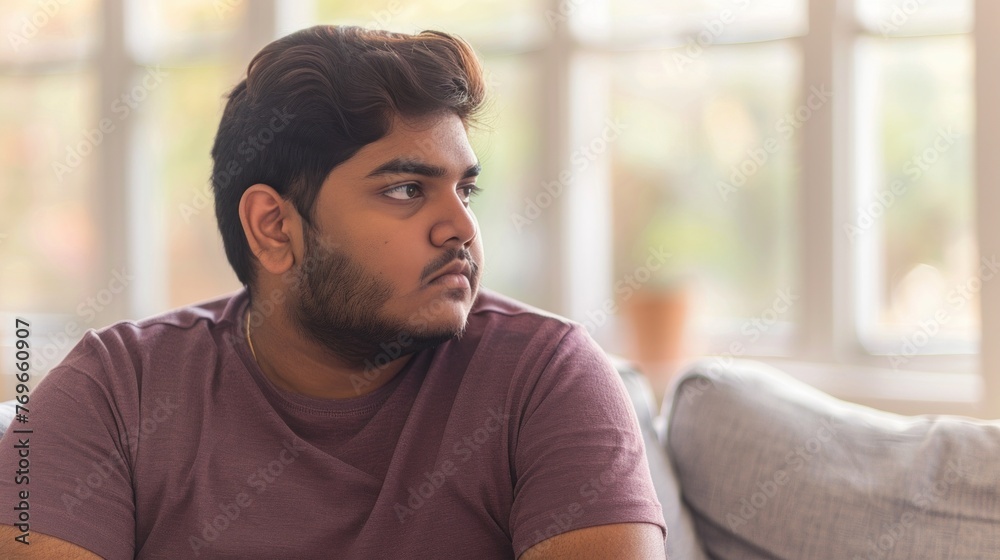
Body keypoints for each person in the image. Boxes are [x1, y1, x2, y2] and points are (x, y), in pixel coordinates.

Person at [0, 25, 666, 559]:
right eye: (407, 189)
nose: (461, 227)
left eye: (466, 190)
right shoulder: (112, 392)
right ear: (274, 226)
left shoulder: (545, 378)